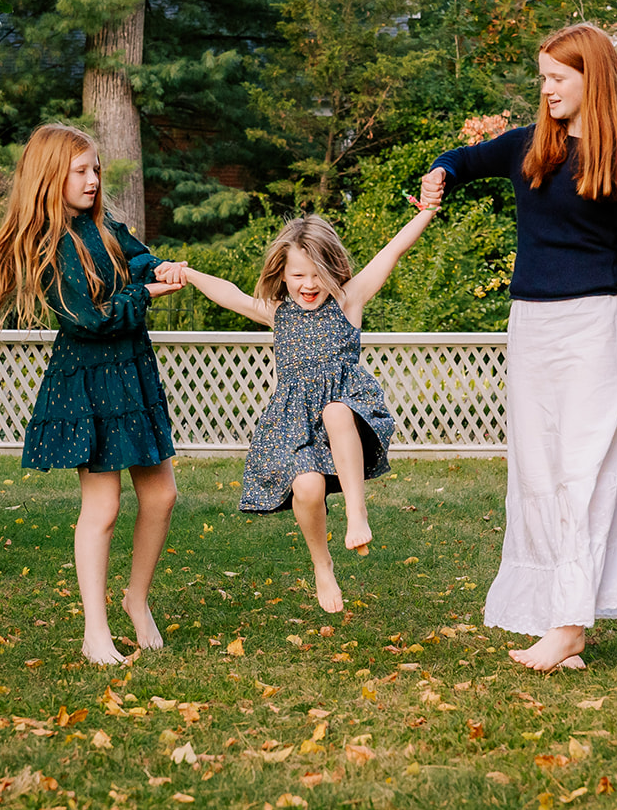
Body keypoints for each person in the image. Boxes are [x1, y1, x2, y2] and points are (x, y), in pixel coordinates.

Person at [420, 23, 617, 672]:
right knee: (541, 474)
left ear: (590, 79)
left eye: (556, 78)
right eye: (542, 76)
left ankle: (570, 628)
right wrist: (439, 172)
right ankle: (558, 616)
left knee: (587, 473)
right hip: (533, 331)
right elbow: (464, 161)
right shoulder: (527, 148)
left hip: (600, 331)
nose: (544, 88)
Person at [155, 194, 440, 613]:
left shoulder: (349, 300)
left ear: (334, 271)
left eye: (317, 275)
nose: (308, 285)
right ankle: (322, 566)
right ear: (283, 274)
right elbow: (229, 293)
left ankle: (357, 514)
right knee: (306, 488)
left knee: (335, 410)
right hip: (296, 425)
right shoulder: (279, 313)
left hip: (349, 415)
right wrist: (190, 273)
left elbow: (392, 250)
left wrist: (428, 212)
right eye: (298, 275)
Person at [0, 123, 183, 666]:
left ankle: (136, 599)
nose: (92, 180)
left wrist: (159, 268)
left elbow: (136, 257)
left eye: (95, 170)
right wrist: (148, 291)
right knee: (104, 506)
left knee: (161, 497)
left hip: (130, 374)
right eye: (80, 171)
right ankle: (95, 630)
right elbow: (91, 319)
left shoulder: (102, 226)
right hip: (87, 381)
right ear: (50, 177)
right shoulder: (49, 247)